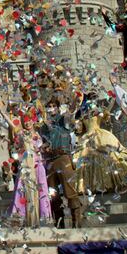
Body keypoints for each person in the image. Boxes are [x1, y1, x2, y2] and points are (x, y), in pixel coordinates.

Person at [72, 95, 127, 194]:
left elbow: (106, 116)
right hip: (88, 138)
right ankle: (95, 184)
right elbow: (78, 126)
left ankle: (111, 182)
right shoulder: (82, 113)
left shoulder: (97, 111)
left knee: (110, 154)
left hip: (101, 135)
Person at [0, 101, 52, 227]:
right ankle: (21, 218)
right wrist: (2, 112)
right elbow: (11, 124)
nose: (27, 122)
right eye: (25, 120)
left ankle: (41, 218)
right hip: (27, 168)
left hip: (37, 167)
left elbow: (40, 149)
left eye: (29, 120)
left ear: (33, 121)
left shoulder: (37, 134)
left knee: (41, 192)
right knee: (22, 191)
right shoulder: (21, 133)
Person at [40, 97, 82, 228]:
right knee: (53, 194)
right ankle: (60, 223)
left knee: (70, 190)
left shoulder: (62, 120)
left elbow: (71, 114)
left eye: (53, 105)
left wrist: (75, 100)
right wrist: (44, 146)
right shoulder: (43, 126)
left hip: (63, 157)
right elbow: (44, 141)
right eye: (49, 106)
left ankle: (77, 222)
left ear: (58, 107)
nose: (51, 108)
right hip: (50, 160)